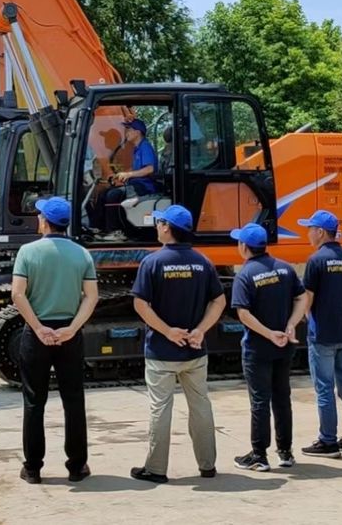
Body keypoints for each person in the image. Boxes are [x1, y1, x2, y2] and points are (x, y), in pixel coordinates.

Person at [130, 205, 226, 484]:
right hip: (195, 351)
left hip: (161, 352)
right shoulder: (203, 262)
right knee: (201, 406)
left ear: (166, 228)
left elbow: (140, 304)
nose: (157, 227)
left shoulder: (152, 262)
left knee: (160, 408)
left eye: (159, 223)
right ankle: (207, 465)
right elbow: (219, 300)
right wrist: (200, 331)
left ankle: (156, 469)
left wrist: (168, 331)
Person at [10, 197, 99, 485]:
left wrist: (38, 328)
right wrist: (72, 328)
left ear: (45, 222)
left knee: (34, 401)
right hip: (69, 334)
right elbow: (91, 297)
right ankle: (77, 465)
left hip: (37, 333)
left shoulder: (27, 252)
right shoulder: (82, 254)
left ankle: (33, 468)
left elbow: (17, 294)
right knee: (73, 400)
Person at [230, 222, 309, 472]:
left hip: (258, 348)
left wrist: (268, 334)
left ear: (244, 247)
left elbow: (243, 313)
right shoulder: (285, 268)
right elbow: (302, 297)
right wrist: (291, 324)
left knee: (260, 401)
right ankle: (285, 452)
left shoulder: (245, 274)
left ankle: (259, 455)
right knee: (282, 398)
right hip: (284, 346)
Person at [296, 211, 342, 458]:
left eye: (310, 229)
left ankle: (328, 441)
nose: (308, 233)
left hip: (323, 333)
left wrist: (305, 319)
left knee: (324, 388)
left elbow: (308, 297)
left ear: (321, 232)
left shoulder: (316, 260)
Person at [96, 120, 158, 240]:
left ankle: (116, 231)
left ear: (137, 132)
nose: (126, 133)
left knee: (113, 195)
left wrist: (129, 174)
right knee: (103, 193)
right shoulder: (137, 149)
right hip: (135, 184)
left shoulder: (145, 146)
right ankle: (99, 228)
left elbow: (150, 169)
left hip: (143, 187)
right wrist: (119, 175)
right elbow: (135, 169)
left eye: (129, 130)